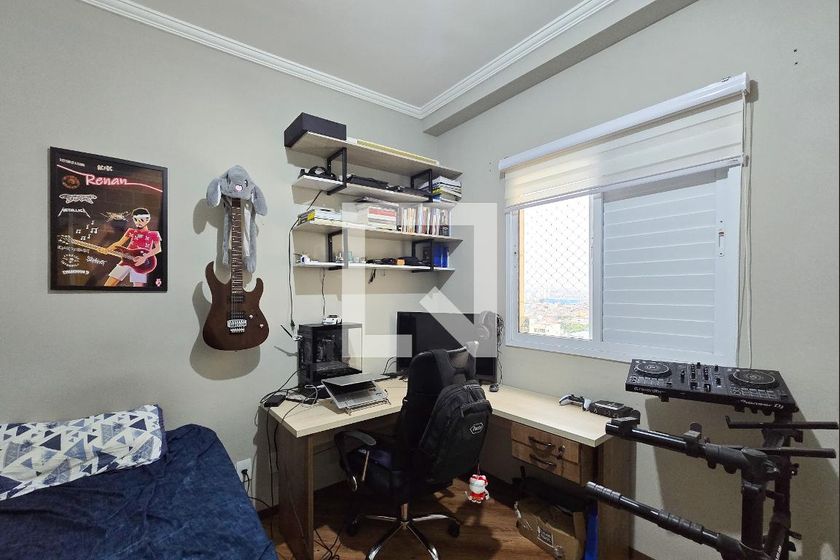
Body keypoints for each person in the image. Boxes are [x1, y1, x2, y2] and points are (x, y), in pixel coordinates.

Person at [101, 208, 162, 287]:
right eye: (136, 220)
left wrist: (144, 258)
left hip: (141, 264)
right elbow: (119, 243)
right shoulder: (131, 231)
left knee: (138, 287)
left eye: (141, 220)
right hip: (126, 260)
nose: (138, 222)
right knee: (108, 285)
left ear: (148, 219)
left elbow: (158, 249)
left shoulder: (154, 234)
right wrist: (107, 249)